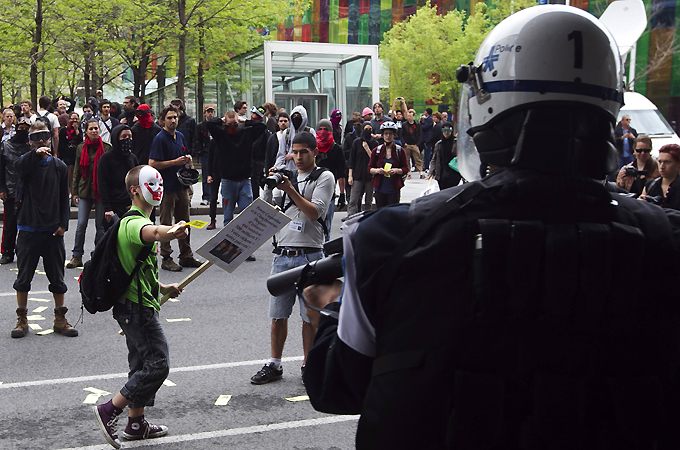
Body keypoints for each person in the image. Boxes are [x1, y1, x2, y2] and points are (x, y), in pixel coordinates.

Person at [304, 7, 680, 449]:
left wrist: (331, 303)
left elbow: (337, 388)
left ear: (487, 103)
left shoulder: (392, 238)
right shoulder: (666, 239)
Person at [92, 165, 187, 449]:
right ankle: (110, 409)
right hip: (136, 309)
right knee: (158, 364)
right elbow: (154, 232)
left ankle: (136, 423)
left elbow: (138, 268)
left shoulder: (138, 220)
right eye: (151, 184)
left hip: (136, 304)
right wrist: (171, 231)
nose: (158, 189)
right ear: (134, 190)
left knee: (140, 365)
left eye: (160, 184)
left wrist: (162, 287)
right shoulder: (134, 223)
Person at [251, 131, 335, 385]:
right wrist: (268, 187)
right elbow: (267, 211)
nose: (298, 157)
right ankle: (274, 364)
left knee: (309, 317)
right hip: (282, 255)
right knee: (278, 315)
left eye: (303, 152)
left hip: (311, 255)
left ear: (314, 152)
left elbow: (314, 212)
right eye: (294, 152)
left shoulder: (324, 177)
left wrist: (289, 189)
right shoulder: (286, 177)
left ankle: (308, 364)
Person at [11, 121, 76, 338]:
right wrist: (34, 155)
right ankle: (22, 318)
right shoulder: (26, 162)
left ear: (50, 139)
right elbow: (18, 167)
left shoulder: (58, 166)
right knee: (23, 278)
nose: (41, 141)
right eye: (35, 137)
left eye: (44, 136)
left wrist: (63, 224)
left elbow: (64, 197)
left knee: (57, 277)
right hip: (28, 227)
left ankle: (60, 318)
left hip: (52, 230)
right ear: (29, 141)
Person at [149, 105, 202, 271]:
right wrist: (174, 162)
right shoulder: (160, 139)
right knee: (166, 224)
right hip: (167, 187)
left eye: (175, 117)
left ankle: (186, 255)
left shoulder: (180, 136)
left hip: (181, 185)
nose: (173, 120)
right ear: (162, 120)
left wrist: (187, 158)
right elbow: (152, 163)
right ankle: (166, 257)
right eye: (170, 118)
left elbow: (183, 154)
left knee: (184, 222)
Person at [207, 107, 267, 235]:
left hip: (245, 180)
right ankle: (228, 243)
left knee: (246, 216)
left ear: (238, 122)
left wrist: (245, 121)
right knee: (228, 217)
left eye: (234, 124)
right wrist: (222, 120)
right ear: (225, 123)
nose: (232, 127)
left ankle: (244, 243)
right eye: (229, 124)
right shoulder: (221, 135)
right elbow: (210, 124)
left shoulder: (246, 133)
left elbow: (262, 126)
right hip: (228, 180)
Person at [67, 119, 111, 269]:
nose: (94, 131)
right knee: (81, 224)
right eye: (91, 128)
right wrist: (74, 191)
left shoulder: (107, 147)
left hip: (101, 191)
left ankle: (98, 256)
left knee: (100, 225)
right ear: (86, 131)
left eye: (96, 128)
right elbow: (77, 171)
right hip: (84, 190)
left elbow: (109, 171)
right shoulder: (81, 148)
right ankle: (76, 255)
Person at [0, 118, 31, 265]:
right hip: (10, 189)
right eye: (21, 128)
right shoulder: (5, 146)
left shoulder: (30, 147)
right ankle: (7, 252)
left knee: (27, 223)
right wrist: (2, 188)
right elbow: (1, 169)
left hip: (27, 191)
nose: (23, 131)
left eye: (26, 128)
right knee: (10, 224)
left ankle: (24, 251)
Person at [97, 124, 138, 231]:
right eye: (124, 136)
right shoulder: (106, 159)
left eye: (130, 136)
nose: (127, 139)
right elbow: (103, 184)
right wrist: (107, 208)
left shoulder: (133, 158)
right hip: (113, 207)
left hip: (130, 207)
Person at [315, 119, 346, 238]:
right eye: (320, 129)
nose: (323, 132)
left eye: (325, 129)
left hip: (329, 192)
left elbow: (341, 173)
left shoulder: (337, 149)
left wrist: (342, 194)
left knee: (326, 224)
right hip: (313, 190)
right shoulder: (313, 148)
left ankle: (326, 245)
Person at [367, 121, 408, 208]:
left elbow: (405, 168)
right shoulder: (377, 151)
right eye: (386, 133)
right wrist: (378, 170)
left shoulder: (399, 151)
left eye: (390, 134)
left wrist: (396, 170)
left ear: (394, 135)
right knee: (380, 212)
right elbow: (370, 168)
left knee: (393, 212)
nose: (388, 136)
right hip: (380, 188)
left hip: (394, 188)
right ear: (382, 135)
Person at [347, 121, 377, 217]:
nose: (368, 131)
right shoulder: (357, 142)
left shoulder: (374, 143)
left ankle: (367, 217)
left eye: (370, 129)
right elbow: (352, 160)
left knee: (368, 200)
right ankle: (350, 217)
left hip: (370, 176)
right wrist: (350, 176)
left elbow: (375, 160)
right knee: (353, 199)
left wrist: (367, 149)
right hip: (358, 175)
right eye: (366, 129)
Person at [275, 105, 315, 173]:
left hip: (305, 170)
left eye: (298, 116)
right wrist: (276, 168)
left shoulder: (310, 132)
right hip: (289, 169)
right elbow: (281, 153)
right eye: (294, 116)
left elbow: (313, 151)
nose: (296, 118)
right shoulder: (287, 133)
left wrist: (292, 155)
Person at [640, 144, 680, 210]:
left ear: (678, 163)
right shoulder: (651, 185)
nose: (662, 166)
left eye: (667, 162)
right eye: (659, 162)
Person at [58, 112, 83, 203]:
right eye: (73, 119)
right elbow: (61, 144)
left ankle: (74, 194)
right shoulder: (63, 131)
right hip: (67, 155)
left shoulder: (79, 130)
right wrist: (61, 156)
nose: (74, 121)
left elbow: (80, 141)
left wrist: (76, 131)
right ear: (69, 120)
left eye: (76, 119)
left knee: (75, 175)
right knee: (69, 174)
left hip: (75, 155)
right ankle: (69, 193)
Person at [428, 121, 461, 189]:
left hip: (454, 172)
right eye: (444, 130)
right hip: (441, 173)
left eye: (448, 130)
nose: (446, 133)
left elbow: (463, 155)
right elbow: (434, 159)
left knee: (452, 191)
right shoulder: (439, 144)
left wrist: (459, 158)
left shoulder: (456, 143)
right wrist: (431, 172)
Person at [194, 104, 216, 206]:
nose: (210, 114)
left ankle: (213, 196)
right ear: (205, 113)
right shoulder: (201, 126)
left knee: (215, 175)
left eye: (212, 112)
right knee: (206, 174)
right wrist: (200, 151)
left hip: (215, 154)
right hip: (205, 153)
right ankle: (206, 196)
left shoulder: (216, 125)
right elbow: (197, 139)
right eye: (208, 112)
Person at [402, 108, 423, 178]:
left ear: (413, 116)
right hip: (407, 144)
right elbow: (401, 134)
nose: (409, 117)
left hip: (415, 144)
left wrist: (418, 143)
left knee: (417, 158)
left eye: (410, 116)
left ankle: (420, 172)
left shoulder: (417, 124)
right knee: (407, 159)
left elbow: (420, 134)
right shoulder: (404, 124)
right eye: (408, 116)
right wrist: (404, 143)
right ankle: (408, 172)